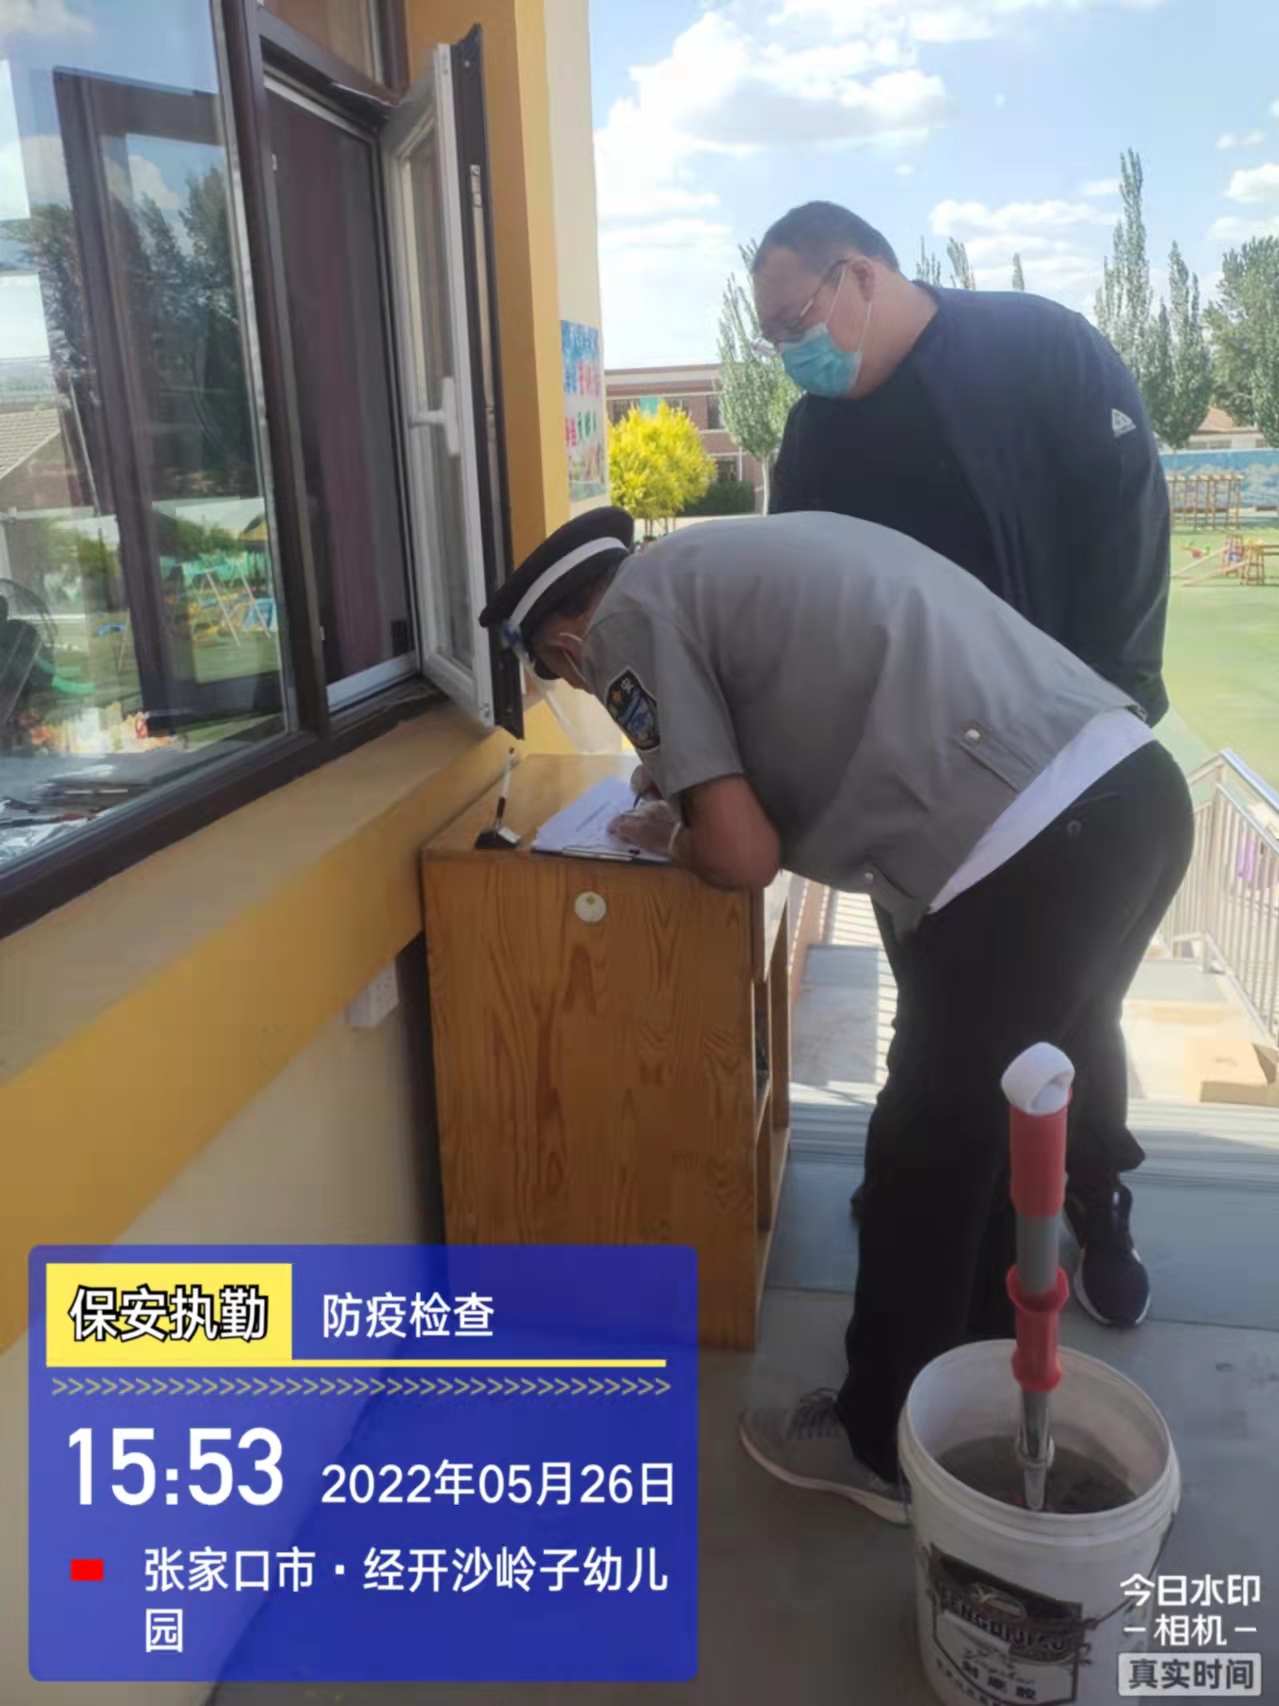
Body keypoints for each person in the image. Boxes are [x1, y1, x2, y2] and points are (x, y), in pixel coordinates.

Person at [480, 506, 1193, 1522]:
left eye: (574, 678)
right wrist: (679, 778)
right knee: (991, 1132)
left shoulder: (624, 622)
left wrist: (669, 835)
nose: (590, 686)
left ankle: (875, 1444)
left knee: (922, 1155)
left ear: (565, 645)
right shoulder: (705, 564)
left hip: (1025, 849)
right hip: (1130, 797)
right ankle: (968, 1400)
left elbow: (740, 854)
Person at [752, 201, 1173, 1328]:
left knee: (1073, 1007)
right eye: (770, 333)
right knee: (941, 1005)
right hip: (919, 790)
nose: (787, 349)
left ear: (860, 275)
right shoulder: (816, 438)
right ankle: (941, 1194)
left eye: (793, 319)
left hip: (1066, 767)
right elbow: (802, 611)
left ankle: (1093, 1191)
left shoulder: (1037, 349)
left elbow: (1128, 527)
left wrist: (1112, 703)